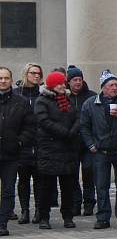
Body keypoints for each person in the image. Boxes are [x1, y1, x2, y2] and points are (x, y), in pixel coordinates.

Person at [80, 70, 117, 229]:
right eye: (111, 85)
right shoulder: (90, 103)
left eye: (116, 84)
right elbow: (84, 127)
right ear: (103, 87)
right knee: (101, 186)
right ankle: (103, 217)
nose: (114, 88)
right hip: (100, 152)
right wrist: (91, 145)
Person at [34, 71, 81, 230]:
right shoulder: (42, 101)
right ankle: (44, 216)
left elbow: (76, 118)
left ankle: (67, 216)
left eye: (63, 83)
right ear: (52, 85)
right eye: (59, 83)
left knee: (68, 187)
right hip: (50, 150)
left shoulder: (67, 100)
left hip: (67, 150)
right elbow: (44, 121)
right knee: (46, 187)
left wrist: (72, 131)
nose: (62, 86)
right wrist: (64, 132)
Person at [0, 67, 35, 236]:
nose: (3, 81)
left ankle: (2, 223)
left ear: (11, 80)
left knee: (8, 190)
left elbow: (29, 126)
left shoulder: (20, 102)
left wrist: (19, 141)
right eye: (0, 78)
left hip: (11, 155)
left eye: (6, 78)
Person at [13, 63, 43, 224]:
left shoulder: (43, 95)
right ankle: (25, 210)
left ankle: (39, 210)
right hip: (22, 145)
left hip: (40, 144)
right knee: (23, 180)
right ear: (26, 74)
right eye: (33, 73)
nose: (36, 76)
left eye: (38, 73)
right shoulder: (16, 94)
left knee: (39, 179)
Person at [66, 65, 97, 217]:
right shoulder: (64, 97)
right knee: (72, 174)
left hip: (88, 143)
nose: (78, 82)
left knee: (88, 172)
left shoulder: (91, 96)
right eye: (74, 80)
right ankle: (75, 203)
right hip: (71, 143)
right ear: (69, 82)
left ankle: (89, 203)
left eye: (80, 79)